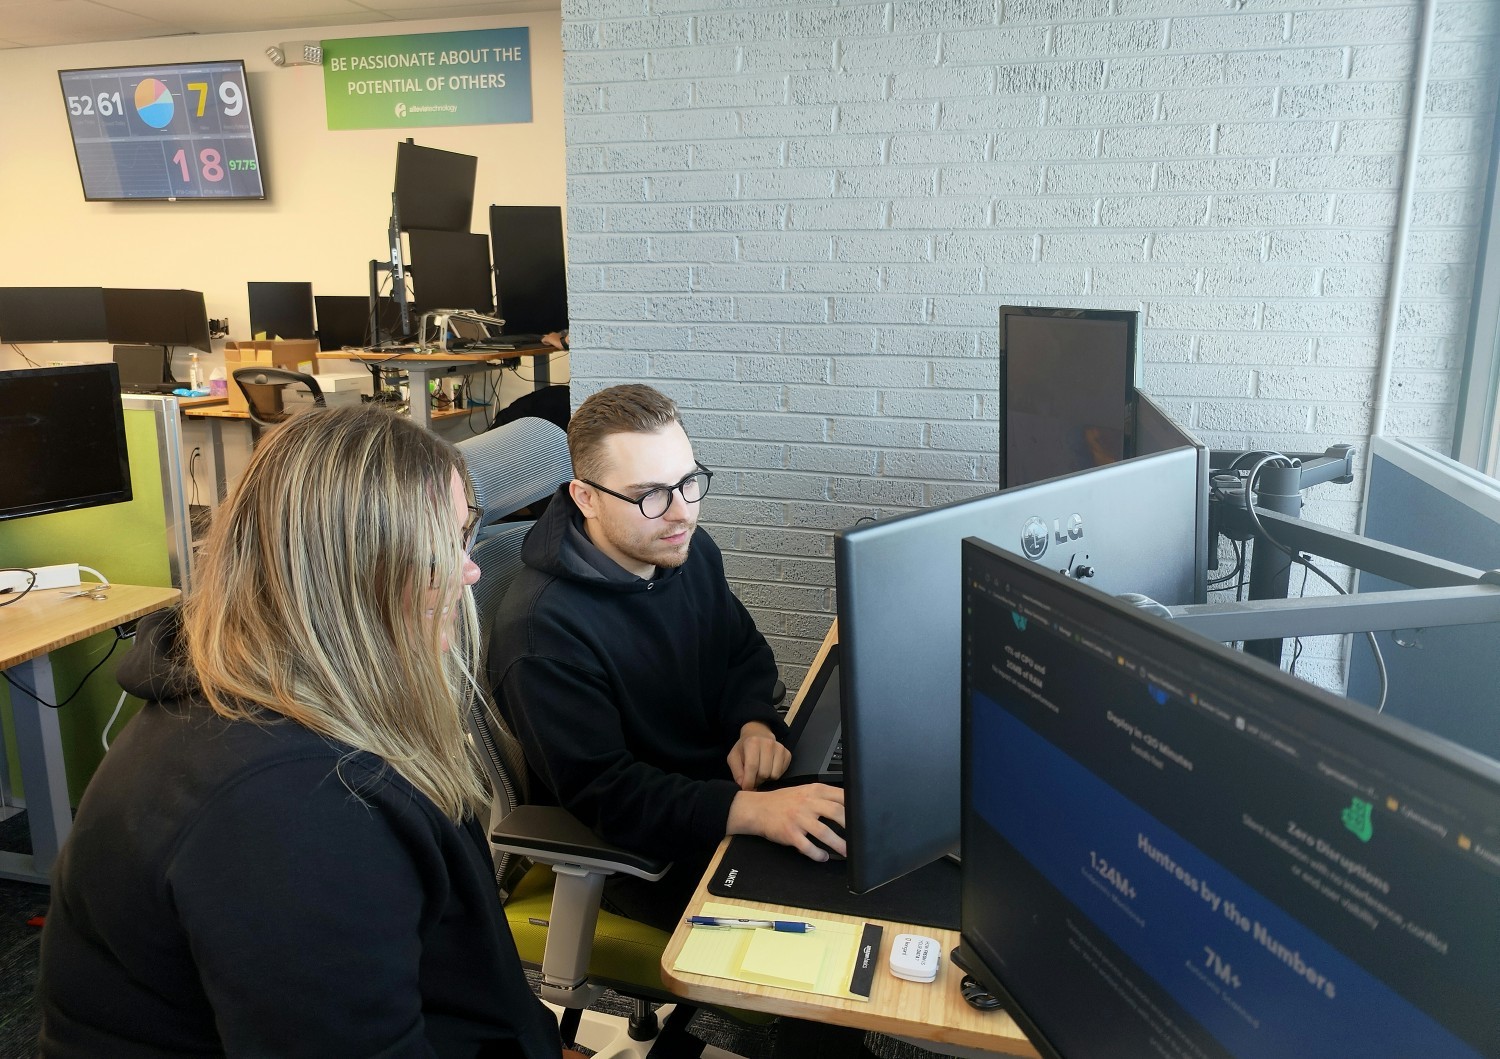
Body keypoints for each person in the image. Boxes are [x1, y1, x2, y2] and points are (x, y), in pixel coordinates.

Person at [38, 405, 569, 1059]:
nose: (470, 572)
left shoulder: (286, 698)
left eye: (466, 535)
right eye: (443, 547)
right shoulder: (290, 807)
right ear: (352, 575)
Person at [489, 384, 845, 931]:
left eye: (688, 482)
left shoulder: (684, 550)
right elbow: (608, 794)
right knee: (830, 926)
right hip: (647, 850)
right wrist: (752, 812)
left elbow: (739, 650)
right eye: (650, 494)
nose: (682, 513)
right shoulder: (542, 632)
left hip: (728, 791)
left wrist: (753, 724)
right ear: (585, 498)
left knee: (876, 832)